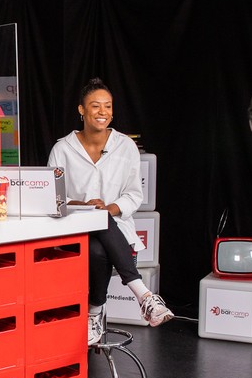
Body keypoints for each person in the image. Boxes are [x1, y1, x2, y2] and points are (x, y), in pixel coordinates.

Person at [47, 77, 173, 344]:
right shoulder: (62, 148)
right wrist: (85, 206)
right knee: (96, 223)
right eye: (95, 106)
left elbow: (134, 194)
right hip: (73, 231)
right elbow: (52, 197)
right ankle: (144, 296)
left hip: (114, 231)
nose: (102, 112)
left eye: (108, 106)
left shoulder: (125, 146)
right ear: (81, 110)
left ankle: (94, 313)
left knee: (99, 241)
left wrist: (110, 208)